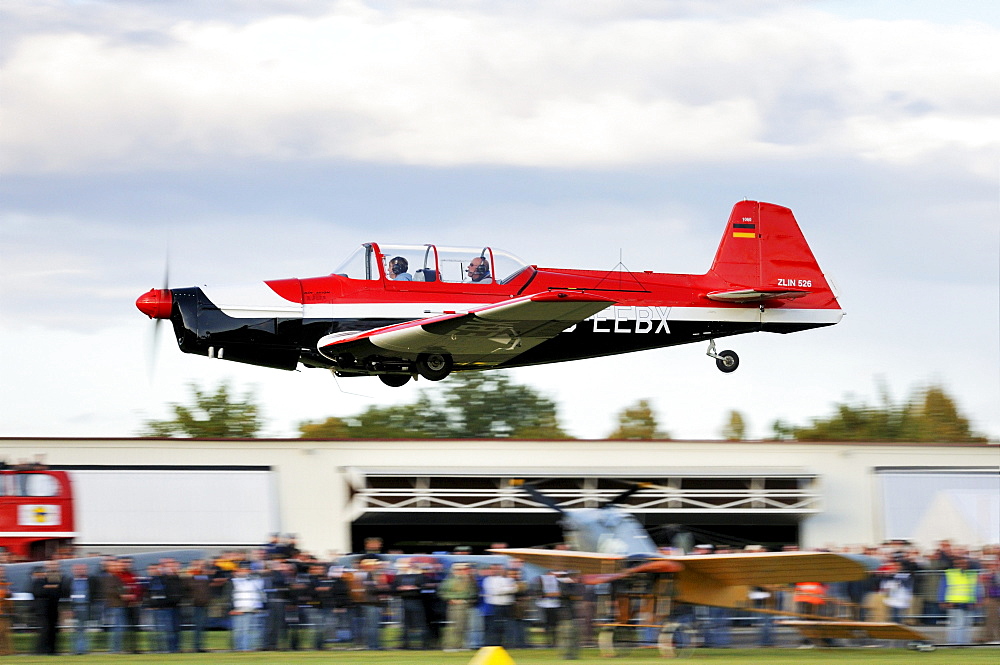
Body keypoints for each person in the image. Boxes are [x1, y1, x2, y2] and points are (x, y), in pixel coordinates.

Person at [939, 554, 981, 644]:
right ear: (955, 564)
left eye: (963, 563)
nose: (961, 565)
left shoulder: (972, 574)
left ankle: (964, 642)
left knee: (967, 624)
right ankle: (956, 643)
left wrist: (978, 600)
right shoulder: (950, 574)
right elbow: (943, 587)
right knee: (957, 624)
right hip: (954, 603)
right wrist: (942, 600)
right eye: (959, 563)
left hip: (969, 603)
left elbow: (976, 587)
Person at [438, 562, 478, 651]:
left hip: (466, 605)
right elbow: (442, 593)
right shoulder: (450, 581)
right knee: (454, 626)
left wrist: (468, 600)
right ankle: (450, 646)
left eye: (466, 569)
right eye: (461, 570)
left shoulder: (470, 580)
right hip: (454, 606)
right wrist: (451, 599)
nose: (465, 571)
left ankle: (461, 645)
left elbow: (474, 593)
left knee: (464, 626)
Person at [31, 560, 66, 655]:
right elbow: (39, 592)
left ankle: (52, 651)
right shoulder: (38, 580)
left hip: (52, 609)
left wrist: (48, 587)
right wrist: (51, 587)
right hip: (42, 611)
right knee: (45, 630)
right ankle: (40, 651)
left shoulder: (56, 578)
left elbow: (59, 592)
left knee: (53, 631)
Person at [67, 563, 96, 655]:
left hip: (85, 608)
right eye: (78, 569)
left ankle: (81, 650)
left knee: (82, 630)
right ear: (73, 570)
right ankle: (77, 649)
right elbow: (68, 595)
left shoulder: (89, 581)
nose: (80, 571)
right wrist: (70, 608)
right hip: (74, 609)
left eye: (82, 569)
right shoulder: (70, 581)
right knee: (75, 630)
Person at [0, 566, 14, 656]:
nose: (2, 572)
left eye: (2, 571)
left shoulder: (5, 583)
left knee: (5, 634)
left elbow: (9, 597)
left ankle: (7, 652)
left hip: (4, 612)